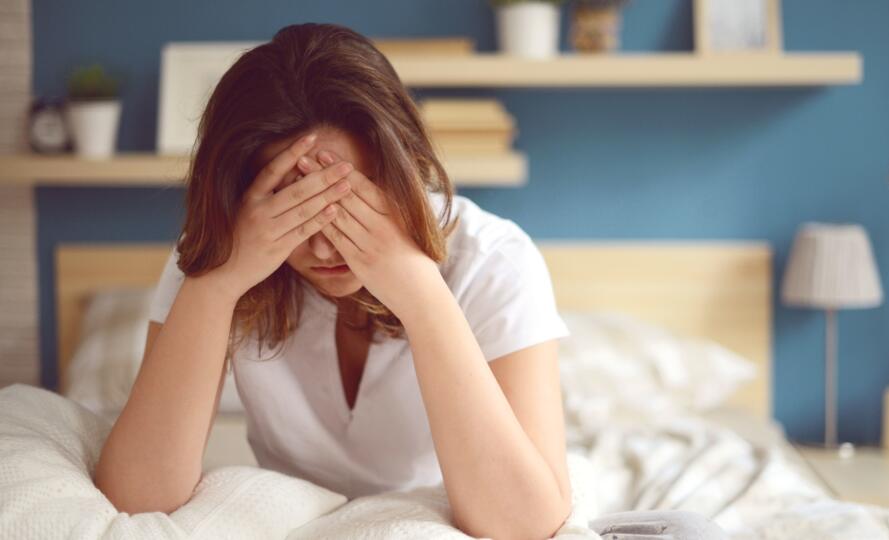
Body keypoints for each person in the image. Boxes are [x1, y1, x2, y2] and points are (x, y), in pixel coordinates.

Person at [93, 23, 572, 539]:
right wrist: (219, 280)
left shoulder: (493, 260)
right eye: (293, 211)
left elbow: (525, 526)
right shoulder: (219, 253)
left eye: (348, 208)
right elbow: (136, 497)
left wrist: (418, 289)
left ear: (406, 173)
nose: (324, 248)